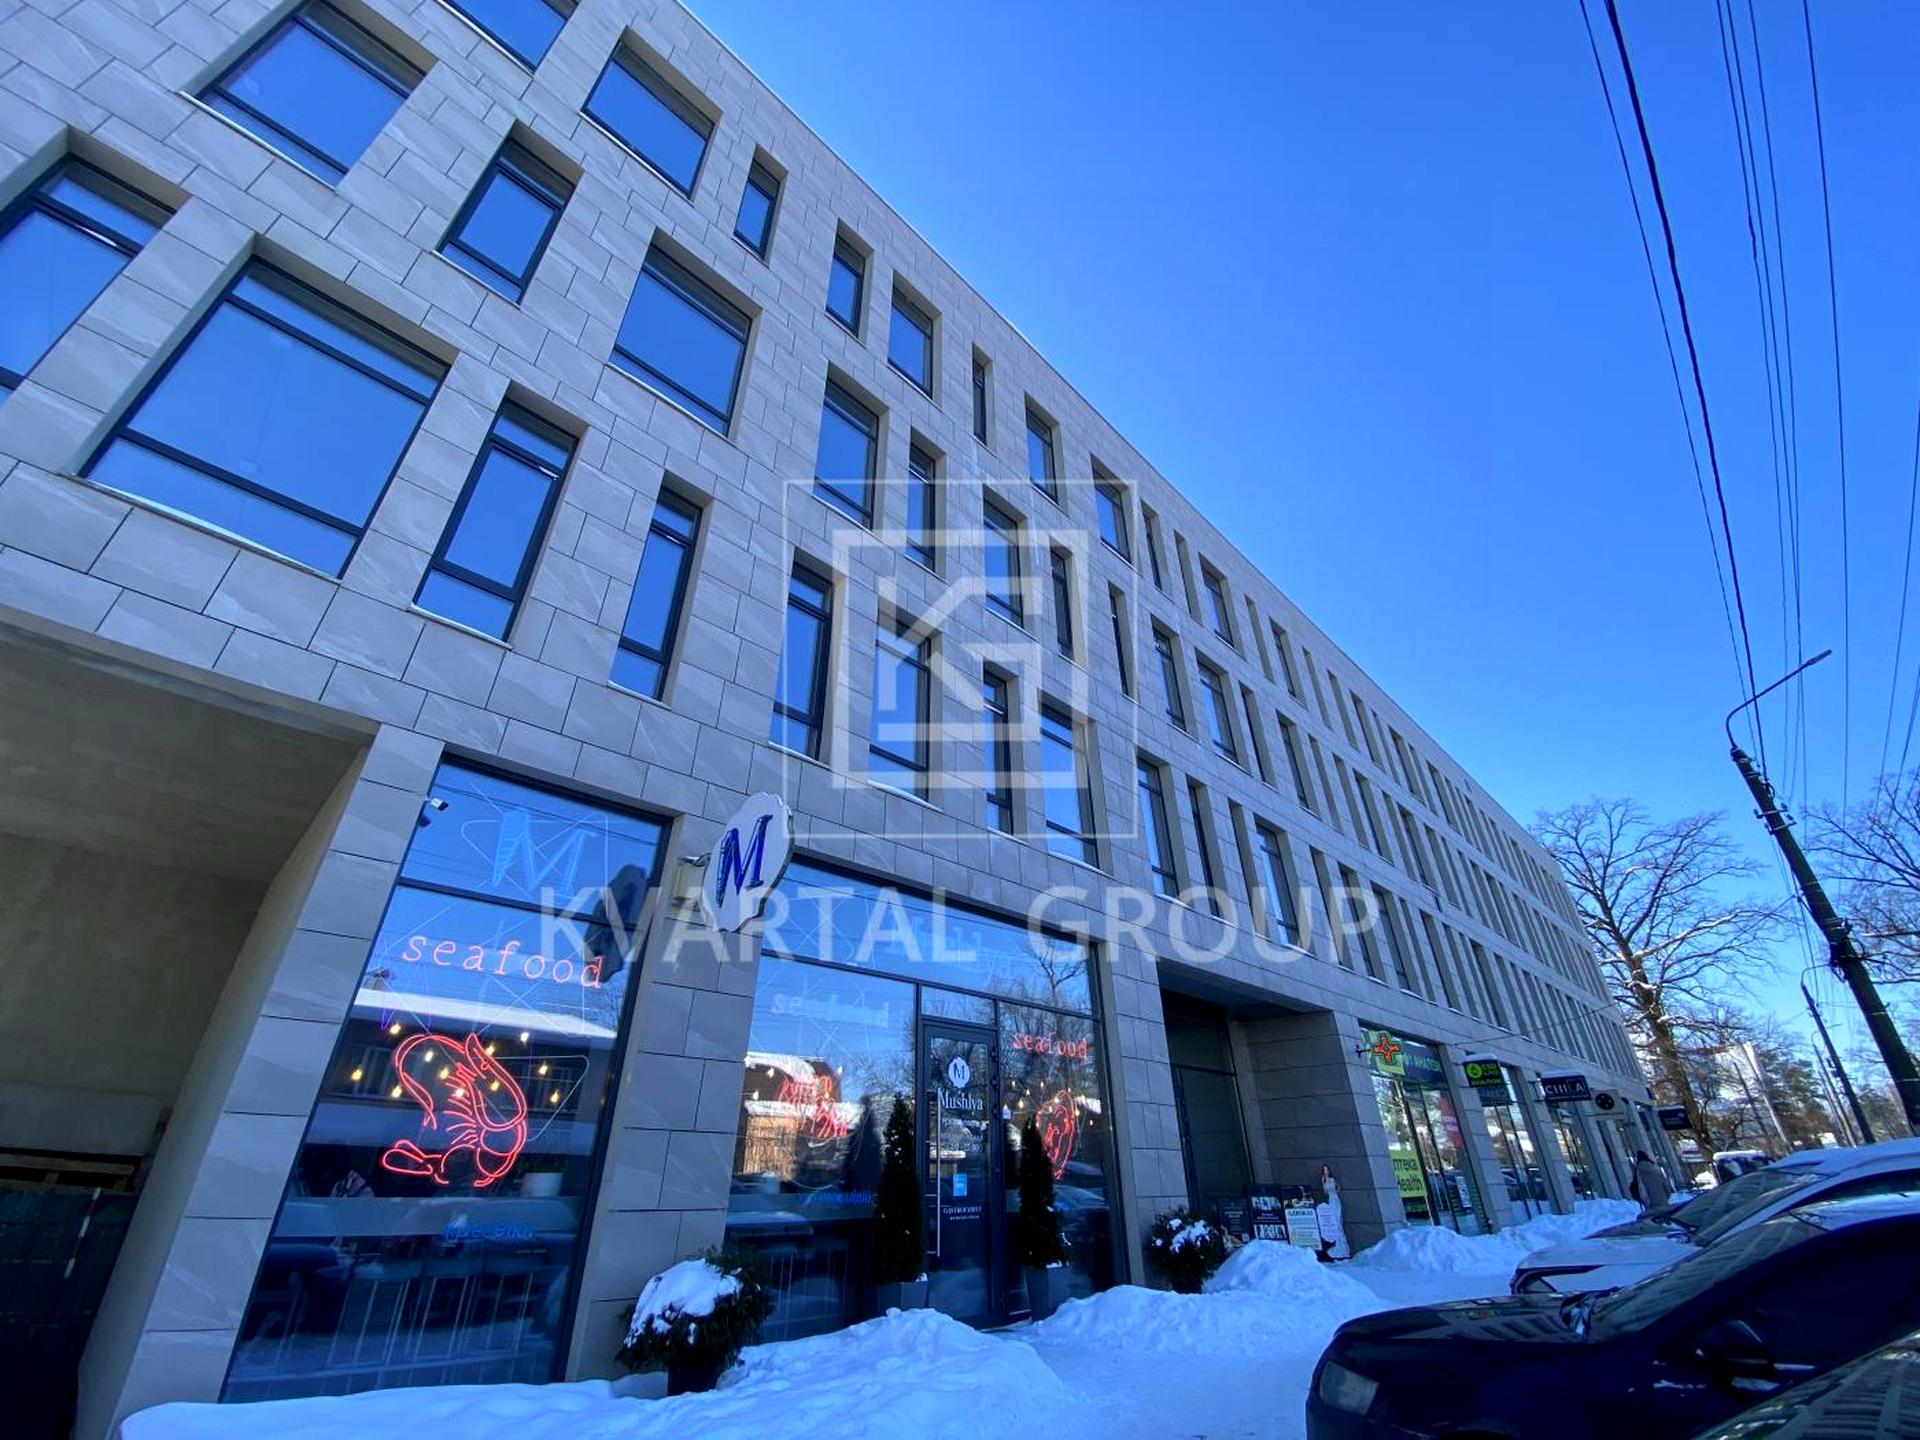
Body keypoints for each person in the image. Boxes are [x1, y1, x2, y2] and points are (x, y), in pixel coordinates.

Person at [1315, 1164, 1351, 1262]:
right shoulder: (1324, 1180)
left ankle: (1343, 1247)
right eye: (1324, 1170)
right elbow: (1325, 1191)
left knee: (1338, 1221)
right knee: (1334, 1222)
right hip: (1330, 1199)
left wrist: (1334, 1191)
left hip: (1334, 1198)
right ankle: (1338, 1245)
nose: (1325, 1172)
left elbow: (1337, 1188)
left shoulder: (1332, 1180)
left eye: (1326, 1170)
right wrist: (1323, 1181)